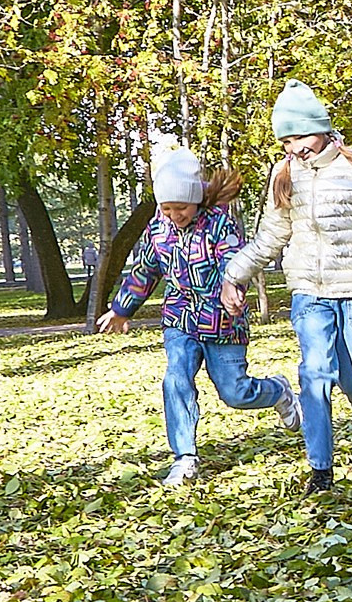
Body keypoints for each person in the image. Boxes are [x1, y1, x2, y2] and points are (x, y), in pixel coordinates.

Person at [221, 81, 352, 493]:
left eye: (301, 136)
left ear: (322, 128)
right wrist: (235, 274)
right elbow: (271, 235)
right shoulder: (283, 174)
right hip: (309, 293)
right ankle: (321, 471)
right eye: (286, 140)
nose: (295, 147)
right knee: (315, 375)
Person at [99, 139, 301, 486]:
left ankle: (278, 391)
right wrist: (121, 309)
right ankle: (185, 456)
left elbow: (234, 263)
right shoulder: (158, 230)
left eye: (181, 208)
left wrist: (233, 291)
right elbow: (145, 271)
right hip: (179, 321)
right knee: (176, 379)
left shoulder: (220, 224)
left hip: (223, 323)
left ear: (195, 199)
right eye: (167, 209)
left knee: (235, 393)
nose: (175, 216)